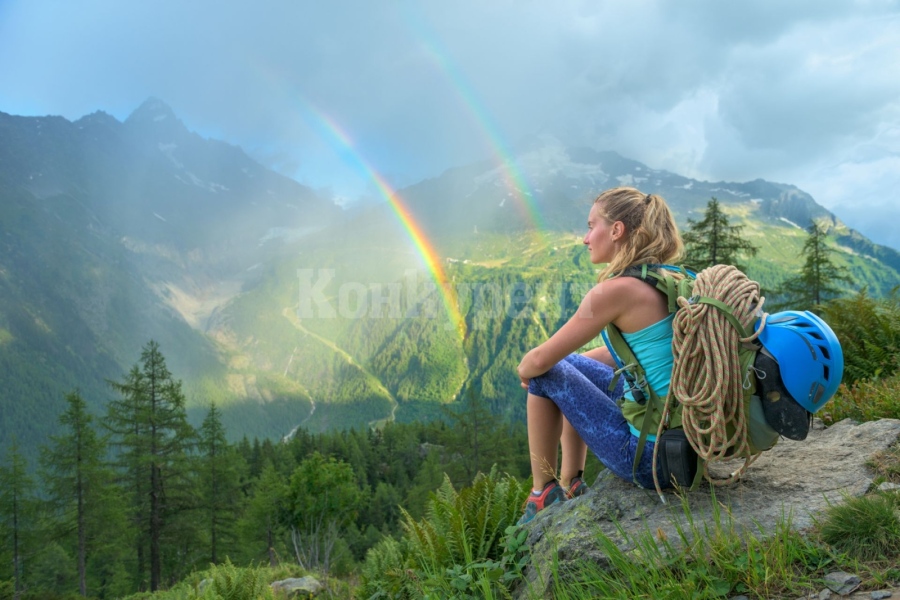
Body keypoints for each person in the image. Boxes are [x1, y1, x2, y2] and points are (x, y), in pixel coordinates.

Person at [515, 186, 684, 524]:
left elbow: (538, 361)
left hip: (652, 461)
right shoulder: (668, 280)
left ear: (617, 230)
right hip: (687, 447)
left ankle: (543, 493)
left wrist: (530, 371)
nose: (585, 237)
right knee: (565, 366)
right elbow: (621, 355)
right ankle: (571, 483)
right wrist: (567, 372)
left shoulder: (614, 291)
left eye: (592, 226)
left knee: (545, 371)